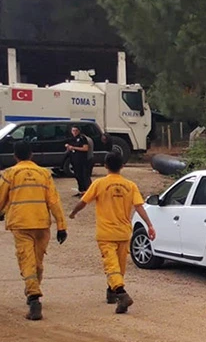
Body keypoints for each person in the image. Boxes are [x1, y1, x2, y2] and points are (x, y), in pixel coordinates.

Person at [69, 152, 155, 313]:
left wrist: (73, 213)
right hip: (123, 233)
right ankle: (111, 291)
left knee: (111, 265)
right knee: (119, 266)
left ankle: (121, 294)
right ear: (122, 166)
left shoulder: (99, 184)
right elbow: (139, 207)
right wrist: (149, 225)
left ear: (105, 166)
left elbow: (83, 201)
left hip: (106, 233)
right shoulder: (130, 185)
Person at [0, 141, 67, 320]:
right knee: (37, 262)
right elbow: (54, 201)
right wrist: (62, 226)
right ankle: (33, 288)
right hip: (41, 224)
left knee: (26, 260)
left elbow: (0, 196)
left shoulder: (10, 173)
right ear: (31, 155)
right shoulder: (44, 174)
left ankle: (33, 296)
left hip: (21, 223)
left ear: (15, 156)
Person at [65, 125, 92, 196]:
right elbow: (69, 149)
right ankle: (81, 191)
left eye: (76, 130)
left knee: (84, 176)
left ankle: (87, 191)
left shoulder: (82, 138)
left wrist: (74, 147)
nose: (74, 132)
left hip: (82, 160)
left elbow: (85, 148)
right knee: (77, 176)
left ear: (79, 131)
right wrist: (68, 147)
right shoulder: (71, 139)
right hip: (74, 160)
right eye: (73, 130)